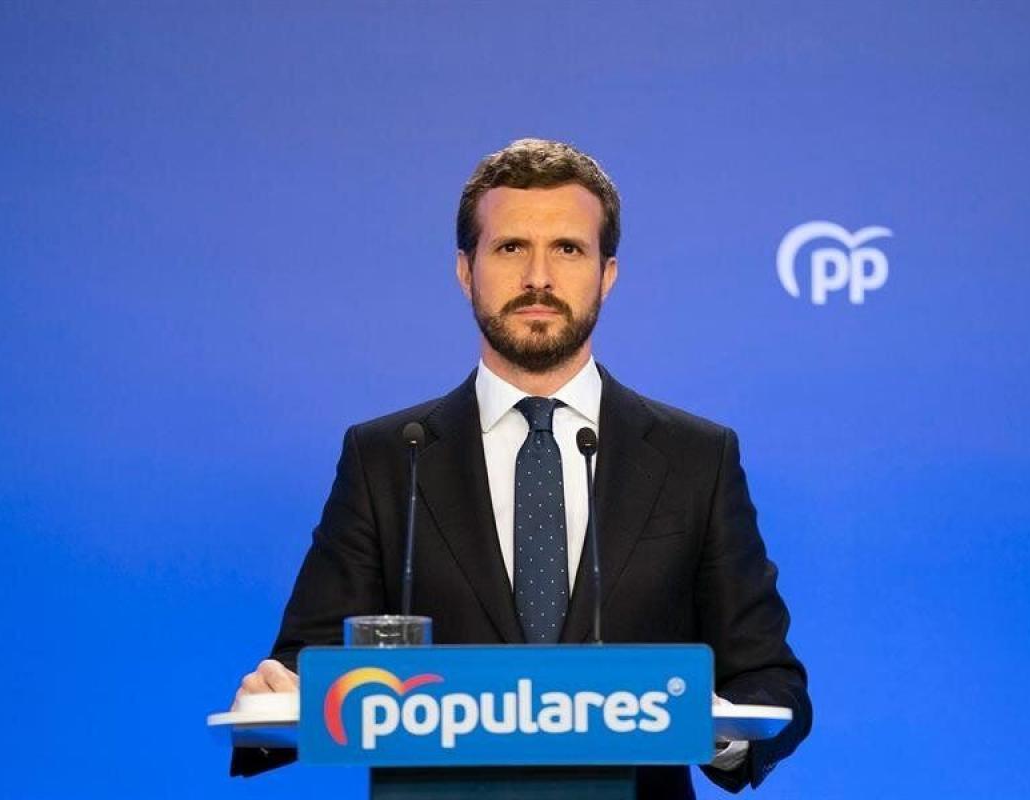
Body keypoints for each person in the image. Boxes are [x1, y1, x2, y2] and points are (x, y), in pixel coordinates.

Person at [231, 139, 812, 798]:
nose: (539, 277)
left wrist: (711, 729)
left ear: (607, 274)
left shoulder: (696, 458)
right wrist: (277, 695)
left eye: (567, 249)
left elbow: (769, 678)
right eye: (511, 248)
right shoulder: (389, 458)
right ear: (465, 270)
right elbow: (307, 666)